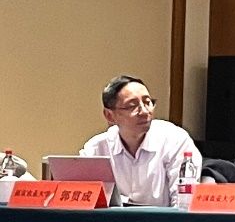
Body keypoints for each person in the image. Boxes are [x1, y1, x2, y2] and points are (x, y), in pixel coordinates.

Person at [81, 74, 201, 207]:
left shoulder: (175, 140)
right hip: (114, 220)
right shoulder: (96, 149)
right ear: (110, 115)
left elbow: (183, 203)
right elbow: (83, 199)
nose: (144, 111)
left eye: (148, 102)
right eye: (132, 106)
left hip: (163, 219)